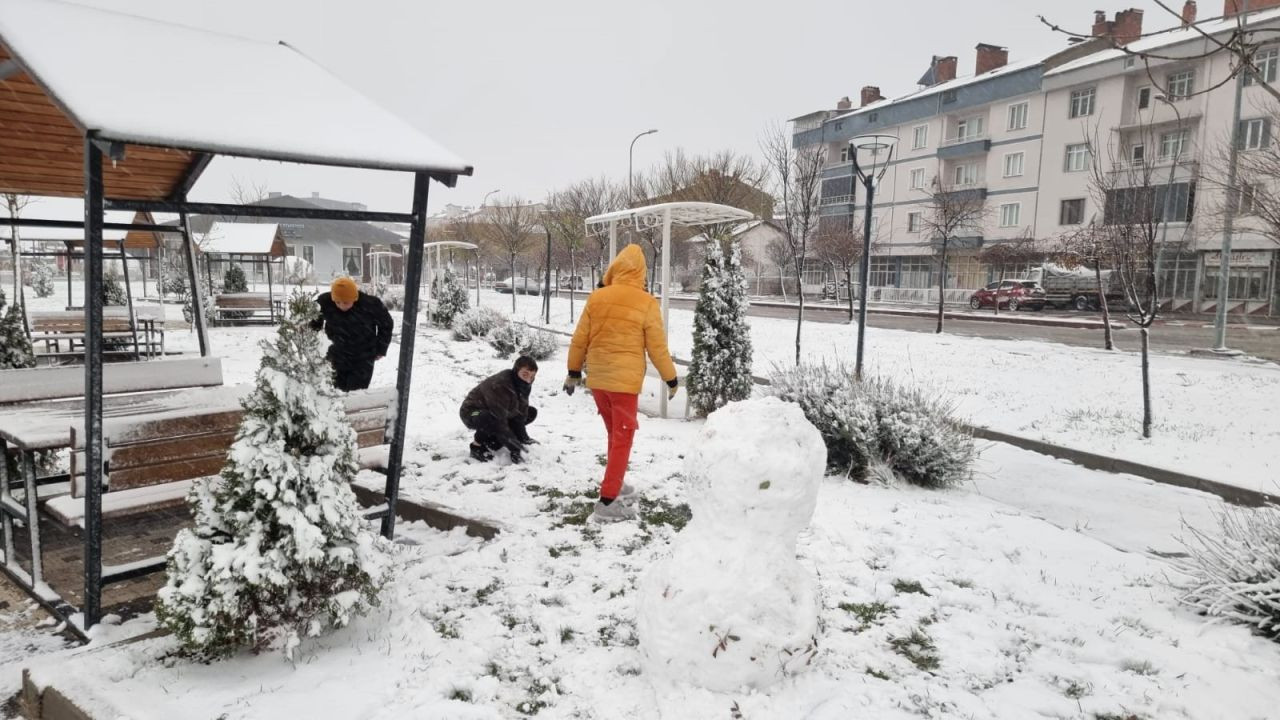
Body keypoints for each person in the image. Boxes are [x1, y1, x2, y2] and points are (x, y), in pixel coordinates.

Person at [563, 244, 678, 523]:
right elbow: (657, 347)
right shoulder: (646, 302)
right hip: (623, 383)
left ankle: (616, 482)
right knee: (623, 439)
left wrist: (573, 372)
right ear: (641, 273)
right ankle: (607, 501)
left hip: (599, 381)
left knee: (615, 436)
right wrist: (670, 378)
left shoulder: (597, 297)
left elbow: (580, 338)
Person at [310, 277, 394, 392]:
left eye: (346, 302)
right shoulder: (325, 302)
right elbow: (313, 321)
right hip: (335, 356)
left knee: (355, 395)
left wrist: (381, 348)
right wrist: (316, 344)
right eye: (337, 302)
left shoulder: (370, 304)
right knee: (335, 394)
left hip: (363, 358)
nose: (341, 305)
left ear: (354, 298)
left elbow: (386, 324)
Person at [460, 356, 539, 463]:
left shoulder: (524, 384)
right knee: (489, 417)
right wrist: (515, 448)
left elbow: (522, 411)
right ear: (516, 371)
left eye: (532, 376)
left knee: (530, 412)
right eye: (525, 374)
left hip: (496, 410)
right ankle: (476, 447)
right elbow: (499, 419)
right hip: (472, 412)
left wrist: (523, 439)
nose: (529, 379)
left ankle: (492, 441)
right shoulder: (500, 384)